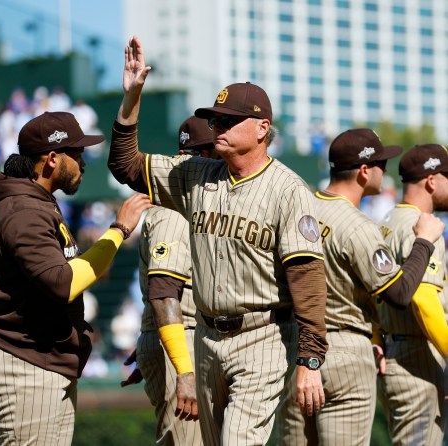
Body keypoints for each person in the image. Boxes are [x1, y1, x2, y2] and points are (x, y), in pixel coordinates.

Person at [109, 36, 328, 446]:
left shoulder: (288, 190)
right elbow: (124, 165)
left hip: (262, 336)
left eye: (229, 121)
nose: (218, 128)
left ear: (263, 128)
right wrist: (132, 97)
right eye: (216, 121)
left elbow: (308, 278)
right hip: (205, 340)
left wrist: (311, 358)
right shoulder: (198, 175)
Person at [0, 111, 152, 446]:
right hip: (26, 363)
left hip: (41, 361)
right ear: (53, 158)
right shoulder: (24, 212)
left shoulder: (38, 204)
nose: (84, 163)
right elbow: (63, 284)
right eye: (77, 154)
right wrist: (118, 231)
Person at [275, 130, 445, 445]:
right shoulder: (358, 226)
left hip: (294, 348)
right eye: (381, 163)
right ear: (365, 171)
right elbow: (401, 294)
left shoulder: (302, 207)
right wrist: (423, 242)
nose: (385, 170)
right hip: (343, 349)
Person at [121, 116, 217, 445]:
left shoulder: (187, 199)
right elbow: (163, 292)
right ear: (206, 155)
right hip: (181, 345)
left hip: (175, 340)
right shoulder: (176, 204)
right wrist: (179, 368)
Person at [376, 144, 448, 446]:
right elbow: (424, 300)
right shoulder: (423, 227)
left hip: (393, 351)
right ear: (432, 180)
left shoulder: (386, 222)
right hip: (418, 359)